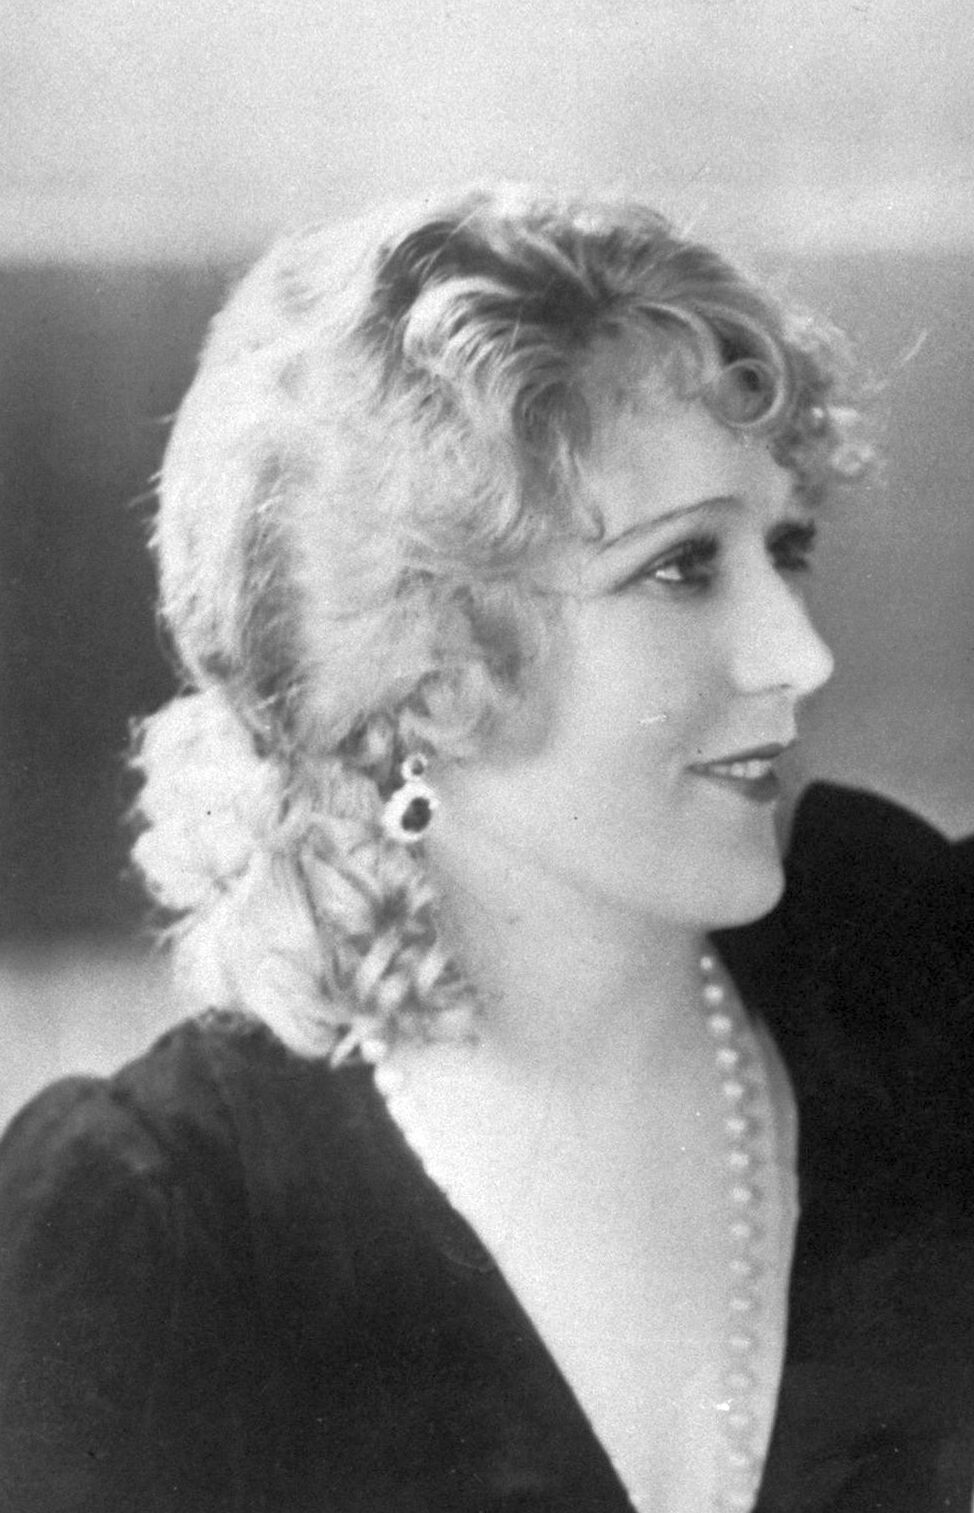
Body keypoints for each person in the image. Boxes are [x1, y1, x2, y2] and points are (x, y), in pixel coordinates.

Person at [0, 185, 971, 1513]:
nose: (798, 653)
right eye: (682, 567)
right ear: (426, 666)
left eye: (783, 548)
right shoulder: (162, 1235)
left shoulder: (909, 995)